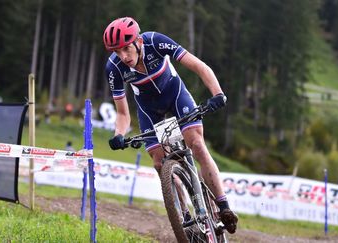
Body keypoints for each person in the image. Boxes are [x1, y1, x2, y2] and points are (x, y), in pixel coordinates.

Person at [102, 17, 238, 234]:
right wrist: (118, 133)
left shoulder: (156, 42)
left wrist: (218, 94)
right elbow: (122, 113)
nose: (124, 56)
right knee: (158, 162)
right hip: (148, 110)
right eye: (117, 52)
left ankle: (223, 207)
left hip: (176, 96)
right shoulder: (114, 68)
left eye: (126, 48)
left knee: (196, 144)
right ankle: (183, 216)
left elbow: (199, 66)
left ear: (138, 40)